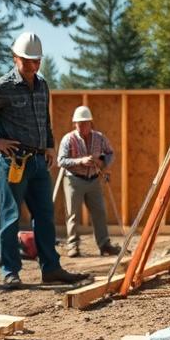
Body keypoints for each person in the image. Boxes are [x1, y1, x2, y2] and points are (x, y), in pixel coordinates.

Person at [0, 31, 87, 289]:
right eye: (27, 61)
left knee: (45, 216)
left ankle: (51, 268)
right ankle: (10, 272)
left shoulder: (42, 85)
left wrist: (50, 146)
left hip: (39, 161)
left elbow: (45, 119)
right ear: (15, 57)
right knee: (10, 217)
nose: (33, 66)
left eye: (37, 61)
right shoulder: (4, 86)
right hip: (14, 161)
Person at [57, 105, 121, 258]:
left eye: (85, 123)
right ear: (75, 124)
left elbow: (110, 153)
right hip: (73, 180)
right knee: (72, 214)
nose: (82, 127)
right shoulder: (68, 139)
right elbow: (61, 161)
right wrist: (80, 161)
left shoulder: (100, 138)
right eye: (79, 124)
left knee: (99, 212)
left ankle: (104, 244)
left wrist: (102, 162)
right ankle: (73, 246)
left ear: (90, 123)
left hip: (93, 180)